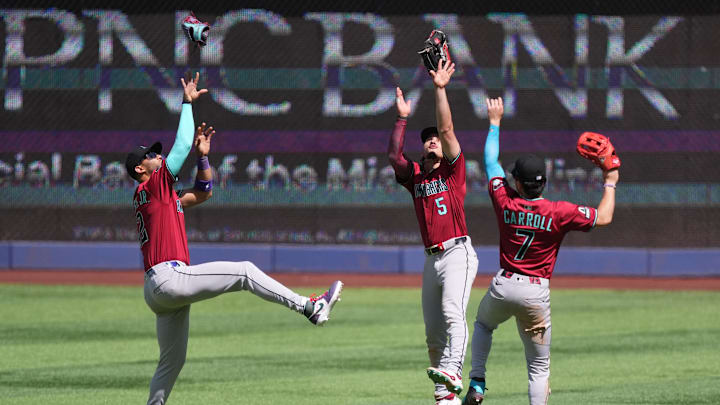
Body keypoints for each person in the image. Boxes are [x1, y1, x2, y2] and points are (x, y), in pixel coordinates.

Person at [126, 72, 343, 405]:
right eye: (150, 156)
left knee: (172, 361)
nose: (157, 157)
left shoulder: (161, 196)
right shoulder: (151, 186)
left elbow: (202, 193)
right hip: (168, 277)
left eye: (157, 153)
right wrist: (186, 103)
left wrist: (202, 157)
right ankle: (310, 307)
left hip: (158, 287)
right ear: (140, 170)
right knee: (244, 271)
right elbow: (181, 144)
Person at [462, 97, 619, 405]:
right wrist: (610, 180)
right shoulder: (558, 211)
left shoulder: (504, 200)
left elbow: (491, 161)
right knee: (538, 368)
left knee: (483, 324)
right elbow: (604, 217)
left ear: (517, 183)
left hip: (504, 285)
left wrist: (494, 123)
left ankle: (478, 381)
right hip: (536, 292)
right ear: (543, 183)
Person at [388, 60, 479, 405]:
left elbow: (449, 130)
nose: (432, 143)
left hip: (457, 252)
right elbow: (393, 156)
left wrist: (440, 89)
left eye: (435, 140)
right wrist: (401, 117)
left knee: (454, 312)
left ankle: (454, 370)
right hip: (432, 261)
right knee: (432, 336)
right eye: (426, 140)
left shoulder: (453, 172)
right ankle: (445, 398)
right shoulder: (416, 178)